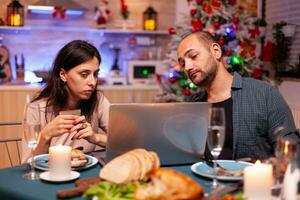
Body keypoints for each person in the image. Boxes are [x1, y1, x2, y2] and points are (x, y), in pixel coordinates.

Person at [177, 31, 299, 160]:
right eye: (183, 63)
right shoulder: (192, 105)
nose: (188, 67)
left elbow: (292, 152)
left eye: (193, 56)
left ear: (216, 51)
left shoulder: (264, 94)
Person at [22, 40, 110, 163]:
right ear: (63, 74)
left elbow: (126, 141)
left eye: (95, 74)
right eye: (84, 74)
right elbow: (27, 163)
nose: (93, 82)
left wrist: (96, 137)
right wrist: (45, 135)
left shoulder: (98, 101)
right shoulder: (36, 108)